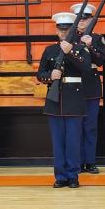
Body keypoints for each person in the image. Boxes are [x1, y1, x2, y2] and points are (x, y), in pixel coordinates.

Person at [37, 12, 92, 189]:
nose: (63, 33)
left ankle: (73, 175)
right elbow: (40, 74)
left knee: (73, 141)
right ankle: (60, 176)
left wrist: (70, 53)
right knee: (58, 141)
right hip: (55, 99)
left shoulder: (80, 48)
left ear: (72, 30)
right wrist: (50, 76)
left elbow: (86, 69)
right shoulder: (50, 50)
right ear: (56, 30)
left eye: (67, 30)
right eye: (61, 30)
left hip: (74, 99)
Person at [71, 2, 105, 174]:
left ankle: (90, 161)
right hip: (74, 84)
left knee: (90, 125)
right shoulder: (69, 37)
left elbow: (100, 62)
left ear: (92, 20)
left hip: (90, 85)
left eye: (85, 19)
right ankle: (75, 162)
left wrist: (90, 45)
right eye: (79, 19)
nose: (82, 22)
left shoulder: (97, 38)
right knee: (75, 126)